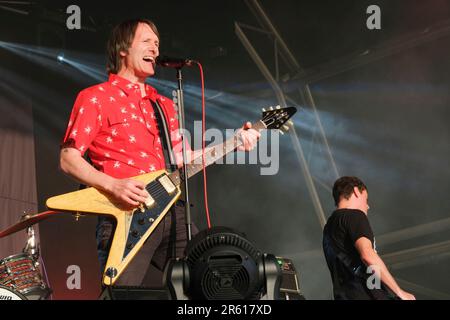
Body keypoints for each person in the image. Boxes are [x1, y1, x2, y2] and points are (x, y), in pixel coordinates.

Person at [59, 18, 260, 286]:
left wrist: (235, 140)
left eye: (157, 43)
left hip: (172, 212)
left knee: (209, 284)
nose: (155, 48)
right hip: (125, 214)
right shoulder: (96, 97)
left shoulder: (163, 104)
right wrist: (114, 185)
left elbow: (185, 159)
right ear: (123, 49)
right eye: (147, 41)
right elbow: (68, 158)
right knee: (122, 294)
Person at [322, 176, 416, 300]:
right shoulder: (355, 215)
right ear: (356, 191)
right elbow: (368, 255)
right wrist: (400, 293)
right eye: (366, 199)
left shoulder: (328, 229)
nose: (368, 206)